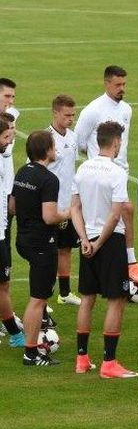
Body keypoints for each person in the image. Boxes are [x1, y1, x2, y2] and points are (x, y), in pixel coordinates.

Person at [71, 121, 138, 378]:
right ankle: (109, 363)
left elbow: (75, 207)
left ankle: (82, 359)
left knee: (87, 299)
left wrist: (84, 239)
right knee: (115, 300)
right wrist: (98, 243)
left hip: (86, 237)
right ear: (116, 143)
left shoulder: (83, 168)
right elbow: (115, 214)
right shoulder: (117, 172)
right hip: (109, 242)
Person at [74, 65, 138, 286]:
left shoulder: (127, 109)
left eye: (124, 84)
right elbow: (78, 142)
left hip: (120, 171)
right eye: (117, 85)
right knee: (118, 213)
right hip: (99, 173)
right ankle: (128, 262)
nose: (122, 88)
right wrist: (98, 156)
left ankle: (125, 264)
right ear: (106, 83)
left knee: (122, 214)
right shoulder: (93, 110)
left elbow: (123, 144)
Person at [10, 131, 71, 366]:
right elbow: (49, 216)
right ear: (46, 150)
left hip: (23, 240)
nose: (56, 149)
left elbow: (13, 207)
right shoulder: (49, 180)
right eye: (53, 146)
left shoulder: (22, 172)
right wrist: (65, 214)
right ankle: (31, 353)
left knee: (38, 298)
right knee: (38, 299)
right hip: (42, 245)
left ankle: (36, 336)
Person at [46, 95, 82, 306]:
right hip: (50, 206)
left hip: (68, 206)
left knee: (66, 248)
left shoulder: (73, 137)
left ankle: (65, 293)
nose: (71, 119)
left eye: (73, 115)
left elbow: (71, 170)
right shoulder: (45, 138)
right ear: (56, 113)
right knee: (49, 253)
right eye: (67, 115)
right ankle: (44, 296)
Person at [0, 117, 24, 348]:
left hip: (2, 228)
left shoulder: (2, 157)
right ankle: (15, 335)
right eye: (6, 136)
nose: (9, 140)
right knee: (2, 285)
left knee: (3, 284)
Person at [0, 78, 19, 276]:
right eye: (6, 96)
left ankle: (5, 296)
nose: (10, 101)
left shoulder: (12, 116)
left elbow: (7, 152)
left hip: (6, 190)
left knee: (5, 241)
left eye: (13, 96)